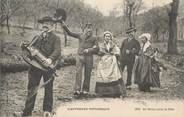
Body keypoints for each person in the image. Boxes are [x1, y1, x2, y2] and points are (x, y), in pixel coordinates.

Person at [14, 16, 61, 117]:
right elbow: (31, 47)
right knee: (32, 88)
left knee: (48, 88)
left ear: (52, 25)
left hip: (48, 67)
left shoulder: (56, 38)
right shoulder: (37, 36)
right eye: (43, 23)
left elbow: (57, 51)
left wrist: (50, 59)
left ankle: (47, 111)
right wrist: (24, 46)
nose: (45, 25)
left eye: (47, 23)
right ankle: (27, 112)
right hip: (35, 67)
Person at [60, 21, 98, 97]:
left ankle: (85, 90)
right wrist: (64, 26)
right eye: (87, 28)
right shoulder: (80, 35)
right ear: (84, 29)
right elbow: (70, 33)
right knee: (78, 73)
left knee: (88, 74)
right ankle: (77, 90)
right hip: (80, 57)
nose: (89, 30)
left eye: (90, 29)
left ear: (92, 30)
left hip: (89, 58)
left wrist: (89, 50)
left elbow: (97, 48)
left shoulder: (94, 38)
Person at [95, 31, 126, 98]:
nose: (107, 37)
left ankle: (115, 91)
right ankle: (103, 92)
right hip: (103, 61)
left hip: (112, 62)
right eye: (106, 36)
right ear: (104, 37)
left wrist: (115, 54)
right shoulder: (101, 45)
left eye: (108, 36)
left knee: (114, 74)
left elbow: (117, 51)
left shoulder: (113, 44)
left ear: (110, 37)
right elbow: (98, 52)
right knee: (102, 74)